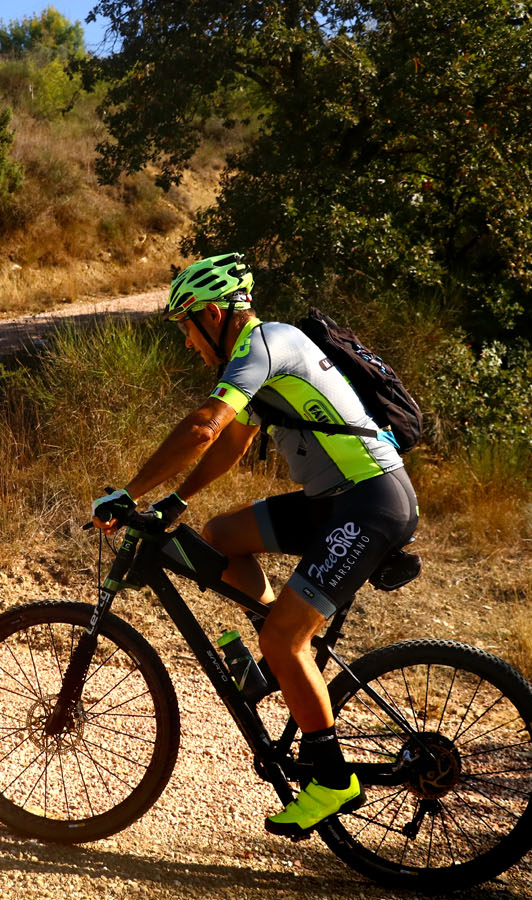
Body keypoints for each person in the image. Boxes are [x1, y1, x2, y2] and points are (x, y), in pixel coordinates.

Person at [90, 253, 419, 840]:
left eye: (187, 328)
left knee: (283, 637)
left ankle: (331, 775)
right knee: (219, 538)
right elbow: (232, 443)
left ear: (213, 313)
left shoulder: (266, 343)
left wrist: (130, 492)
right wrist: (179, 500)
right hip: (336, 499)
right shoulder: (263, 358)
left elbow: (203, 427)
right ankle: (280, 656)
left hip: (371, 501)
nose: (189, 344)